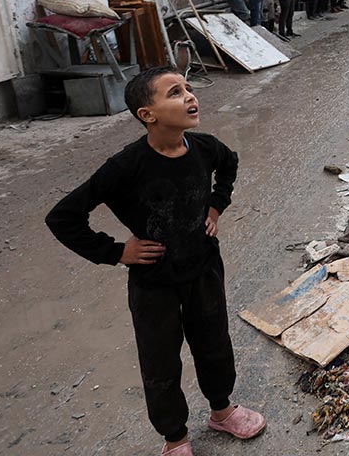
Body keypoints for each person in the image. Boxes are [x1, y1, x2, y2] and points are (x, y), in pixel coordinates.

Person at [45, 67, 266, 456]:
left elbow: (229, 165)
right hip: (153, 282)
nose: (190, 96)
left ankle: (222, 410)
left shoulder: (205, 147)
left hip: (203, 269)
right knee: (160, 360)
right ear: (147, 114)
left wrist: (216, 206)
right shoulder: (125, 167)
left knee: (214, 342)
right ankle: (175, 437)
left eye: (189, 88)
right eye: (175, 92)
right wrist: (115, 252)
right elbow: (63, 217)